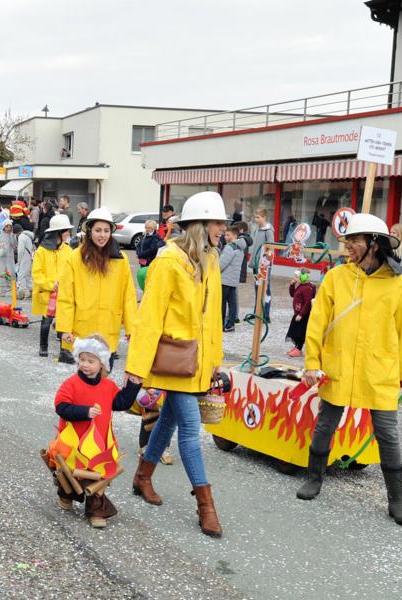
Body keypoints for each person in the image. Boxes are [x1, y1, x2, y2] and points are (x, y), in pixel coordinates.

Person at [297, 213, 402, 527]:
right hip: (339, 364)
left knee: (387, 435)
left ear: (374, 245)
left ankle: (397, 501)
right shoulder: (337, 277)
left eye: (354, 240)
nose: (348, 246)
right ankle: (314, 478)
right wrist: (312, 362)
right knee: (326, 424)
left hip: (380, 370)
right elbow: (318, 321)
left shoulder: (398, 283)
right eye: (347, 240)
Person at [126, 191, 226, 537]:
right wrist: (136, 368)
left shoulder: (210, 259)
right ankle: (206, 505)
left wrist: (215, 362)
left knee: (166, 421)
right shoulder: (167, 261)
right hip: (174, 359)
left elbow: (212, 318)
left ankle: (142, 477)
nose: (222, 229)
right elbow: (149, 317)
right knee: (189, 428)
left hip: (197, 362)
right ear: (199, 225)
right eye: (216, 223)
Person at [47, 334, 142, 528]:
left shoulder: (108, 386)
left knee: (97, 476)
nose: (85, 365)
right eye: (82, 359)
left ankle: (96, 510)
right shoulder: (71, 384)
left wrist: (133, 385)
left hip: (99, 444)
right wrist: (84, 412)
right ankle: (66, 493)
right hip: (74, 442)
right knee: (72, 473)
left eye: (91, 361)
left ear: (102, 364)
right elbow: (61, 406)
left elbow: (121, 402)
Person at [56, 207, 137, 368]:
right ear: (89, 231)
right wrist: (65, 328)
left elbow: (128, 296)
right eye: (98, 230)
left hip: (109, 330)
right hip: (83, 331)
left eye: (106, 231)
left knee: (105, 380)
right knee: (86, 381)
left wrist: (131, 329)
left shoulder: (121, 260)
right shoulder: (75, 258)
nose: (102, 235)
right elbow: (66, 296)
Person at [32, 215, 74, 358]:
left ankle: (65, 350)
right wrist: (51, 284)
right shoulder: (42, 251)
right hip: (48, 292)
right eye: (66, 231)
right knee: (46, 321)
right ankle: (43, 347)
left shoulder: (68, 250)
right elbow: (37, 273)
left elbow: (73, 270)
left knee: (65, 321)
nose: (68, 234)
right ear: (59, 232)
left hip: (64, 292)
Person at [219, 225, 245, 332]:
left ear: (234, 235)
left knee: (222, 303)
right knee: (232, 303)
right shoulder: (241, 248)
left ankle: (220, 323)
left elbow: (221, 264)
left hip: (225, 280)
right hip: (233, 280)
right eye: (225, 234)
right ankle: (230, 324)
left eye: (228, 235)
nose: (225, 237)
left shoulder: (230, 247)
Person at [251, 208, 275, 320]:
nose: (256, 219)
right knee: (257, 287)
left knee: (266, 288)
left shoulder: (268, 230)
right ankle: (257, 312)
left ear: (264, 217)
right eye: (255, 217)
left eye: (258, 217)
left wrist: (266, 263)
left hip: (264, 265)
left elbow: (271, 248)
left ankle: (266, 313)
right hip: (257, 264)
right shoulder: (257, 229)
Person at [285, 270, 316, 358]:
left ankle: (298, 349)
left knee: (300, 333)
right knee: (295, 331)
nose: (294, 278)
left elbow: (307, 303)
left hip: (303, 314)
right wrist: (292, 285)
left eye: (296, 277)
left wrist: (301, 314)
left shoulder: (307, 289)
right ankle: (296, 348)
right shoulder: (301, 286)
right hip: (298, 313)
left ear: (303, 277)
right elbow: (292, 294)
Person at [0, 220, 17, 296]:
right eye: (7, 226)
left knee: (11, 272)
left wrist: (13, 236)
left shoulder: (12, 235)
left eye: (10, 226)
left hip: (9, 256)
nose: (8, 228)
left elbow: (14, 245)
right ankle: (2, 289)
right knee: (2, 272)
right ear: (4, 227)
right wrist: (1, 245)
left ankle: (11, 289)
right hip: (1, 256)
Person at [15, 221, 36, 300]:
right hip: (30, 256)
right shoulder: (28, 235)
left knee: (21, 275)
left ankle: (21, 293)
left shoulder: (21, 237)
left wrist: (19, 260)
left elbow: (20, 250)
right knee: (28, 276)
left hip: (24, 257)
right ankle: (32, 291)